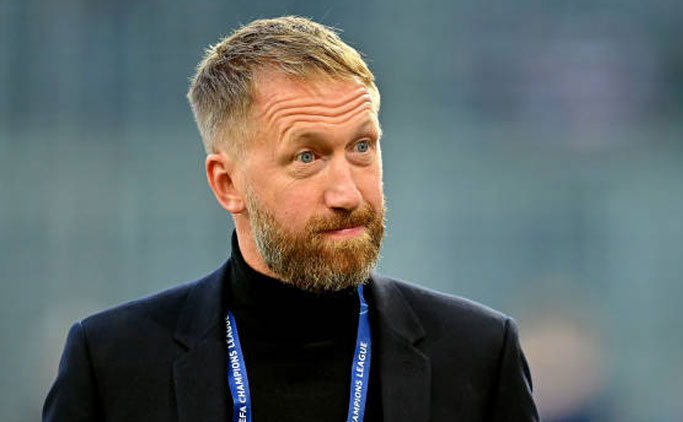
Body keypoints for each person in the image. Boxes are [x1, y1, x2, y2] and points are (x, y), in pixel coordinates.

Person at [43, 16, 538, 422]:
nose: (347, 193)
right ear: (227, 184)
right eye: (307, 157)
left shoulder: (478, 354)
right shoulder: (112, 363)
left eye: (362, 146)